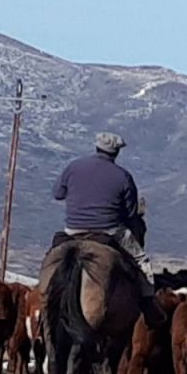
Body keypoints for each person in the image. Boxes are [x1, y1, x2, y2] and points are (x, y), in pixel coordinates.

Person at [52, 132, 161, 326]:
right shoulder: (123, 176)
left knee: (52, 259)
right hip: (109, 231)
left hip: (73, 230)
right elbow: (130, 213)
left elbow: (58, 194)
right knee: (141, 260)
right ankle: (149, 306)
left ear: (96, 147)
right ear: (116, 152)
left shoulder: (73, 167)